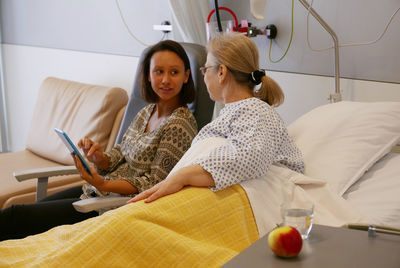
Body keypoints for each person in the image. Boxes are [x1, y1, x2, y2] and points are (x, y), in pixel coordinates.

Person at [0, 40, 198, 241]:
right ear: (148, 75)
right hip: (99, 191)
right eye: (158, 72)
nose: (165, 79)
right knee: (23, 212)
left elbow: (155, 185)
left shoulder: (179, 125)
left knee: (15, 217)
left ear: (186, 76)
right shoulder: (147, 111)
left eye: (174, 72)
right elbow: (121, 152)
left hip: (114, 206)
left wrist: (104, 183)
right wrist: (99, 157)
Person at [129, 33, 304, 204]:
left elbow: (251, 159)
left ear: (221, 72)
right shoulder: (237, 112)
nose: (204, 77)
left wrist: (184, 175)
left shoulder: (256, 110)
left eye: (205, 69)